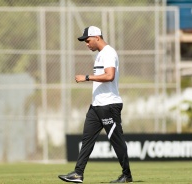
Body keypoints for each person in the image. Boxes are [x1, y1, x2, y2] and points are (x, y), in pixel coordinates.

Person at [58, 26, 133, 183]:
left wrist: (86, 77)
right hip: (96, 107)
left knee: (116, 140)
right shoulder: (100, 55)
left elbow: (110, 76)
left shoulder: (108, 53)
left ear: (97, 37)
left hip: (109, 106)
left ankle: (126, 175)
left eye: (87, 40)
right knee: (87, 140)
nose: (86, 44)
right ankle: (78, 174)